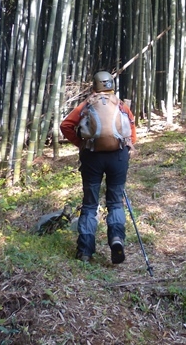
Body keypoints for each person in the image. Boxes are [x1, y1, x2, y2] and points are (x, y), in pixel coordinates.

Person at [60, 71, 137, 264]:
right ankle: (117, 239)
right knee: (115, 202)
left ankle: (85, 251)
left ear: (94, 85)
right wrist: (129, 145)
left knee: (90, 205)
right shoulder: (120, 104)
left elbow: (66, 125)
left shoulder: (86, 104)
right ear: (112, 85)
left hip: (92, 157)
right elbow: (132, 127)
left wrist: (81, 143)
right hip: (118, 157)